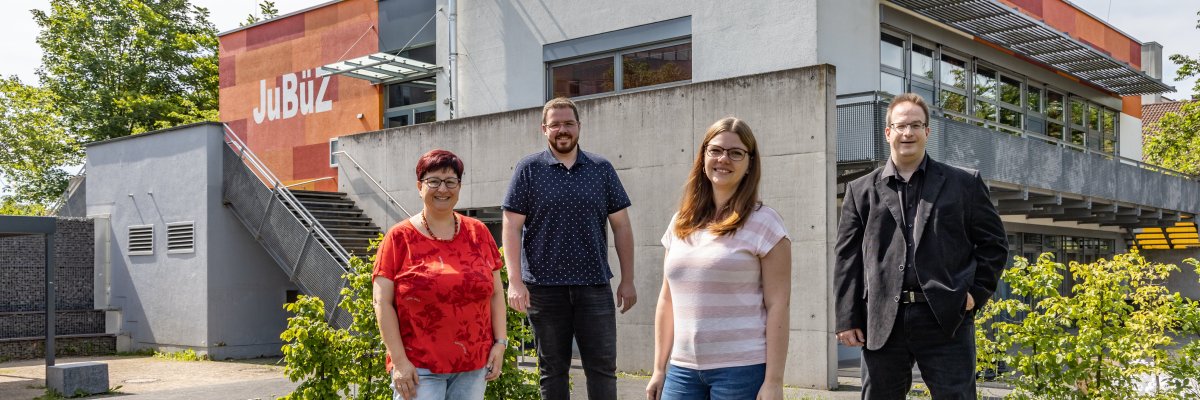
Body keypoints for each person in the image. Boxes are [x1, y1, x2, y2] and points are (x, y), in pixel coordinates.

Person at [834, 93, 1008, 399]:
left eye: (916, 125)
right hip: (882, 320)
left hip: (945, 317)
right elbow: (847, 259)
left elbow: (994, 245)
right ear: (887, 132)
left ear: (927, 131)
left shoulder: (964, 184)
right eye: (900, 126)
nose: (908, 133)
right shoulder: (860, 191)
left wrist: (974, 294)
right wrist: (848, 318)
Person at [645, 117, 792, 400]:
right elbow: (667, 300)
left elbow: (778, 306)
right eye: (716, 150)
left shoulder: (766, 223)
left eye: (736, 153)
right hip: (681, 370)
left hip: (741, 370)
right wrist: (659, 369)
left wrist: (773, 381)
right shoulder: (679, 222)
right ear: (703, 157)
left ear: (750, 163)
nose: (724, 159)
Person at [502, 97, 637, 400]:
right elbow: (511, 226)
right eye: (555, 124)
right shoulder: (529, 169)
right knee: (553, 372)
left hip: (594, 286)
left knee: (603, 370)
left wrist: (628, 280)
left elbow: (622, 227)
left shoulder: (601, 168)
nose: (562, 130)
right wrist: (515, 281)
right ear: (544, 129)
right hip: (544, 289)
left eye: (568, 123)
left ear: (579, 127)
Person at [372, 149, 507, 400]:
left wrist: (500, 343)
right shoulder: (399, 238)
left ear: (459, 186)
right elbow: (382, 302)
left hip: (474, 364)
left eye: (450, 181)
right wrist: (400, 362)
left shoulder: (479, 232)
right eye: (433, 181)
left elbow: (496, 294)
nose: (442, 189)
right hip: (419, 366)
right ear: (419, 186)